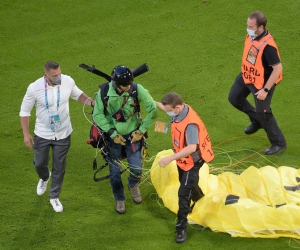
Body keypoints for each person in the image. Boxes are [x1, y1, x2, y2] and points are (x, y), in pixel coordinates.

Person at [20, 61, 95, 212]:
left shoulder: (67, 81)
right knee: (40, 163)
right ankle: (44, 177)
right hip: (42, 133)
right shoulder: (34, 88)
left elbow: (78, 95)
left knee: (59, 166)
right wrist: (26, 134)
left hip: (63, 133)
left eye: (59, 73)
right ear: (45, 75)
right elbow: (24, 112)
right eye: (54, 76)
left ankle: (54, 197)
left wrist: (92, 103)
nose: (58, 77)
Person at [93, 65, 157, 214]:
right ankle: (119, 199)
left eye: (130, 84)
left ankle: (133, 186)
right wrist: (112, 133)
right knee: (115, 173)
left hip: (133, 137)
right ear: (116, 84)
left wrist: (141, 132)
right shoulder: (103, 92)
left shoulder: (136, 89)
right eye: (125, 85)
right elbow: (98, 115)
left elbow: (153, 109)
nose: (129, 87)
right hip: (112, 138)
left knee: (136, 169)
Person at [155, 92, 214, 243]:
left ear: (178, 108)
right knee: (188, 183)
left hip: (191, 161)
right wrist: (149, 99)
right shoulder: (180, 110)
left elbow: (191, 148)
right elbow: (164, 107)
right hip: (183, 160)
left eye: (169, 110)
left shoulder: (191, 125)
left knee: (183, 193)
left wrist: (169, 158)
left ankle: (181, 228)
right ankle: (200, 199)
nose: (167, 112)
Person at [228, 11, 286, 155]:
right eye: (248, 25)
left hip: (263, 82)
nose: (248, 28)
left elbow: (278, 69)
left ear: (260, 27)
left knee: (264, 112)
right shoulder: (252, 35)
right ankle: (257, 121)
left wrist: (265, 90)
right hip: (248, 75)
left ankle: (279, 142)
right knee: (234, 98)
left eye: (251, 26)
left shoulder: (268, 46)